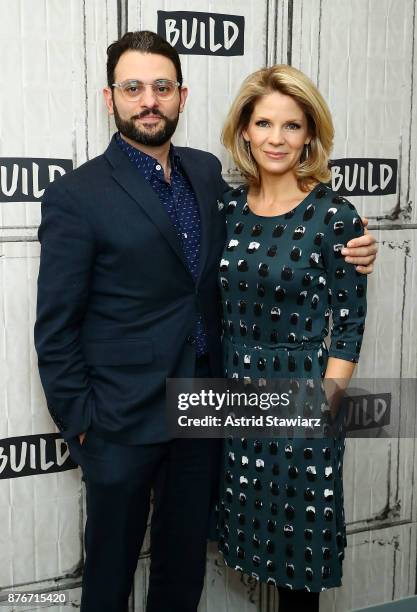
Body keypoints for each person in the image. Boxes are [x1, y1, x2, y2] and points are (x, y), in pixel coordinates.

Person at [34, 31, 376, 612]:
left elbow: (284, 231)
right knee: (110, 574)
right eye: (134, 87)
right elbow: (56, 324)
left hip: (206, 410)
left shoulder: (205, 176)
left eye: (162, 87)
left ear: (182, 96)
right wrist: (83, 422)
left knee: (182, 568)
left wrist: (359, 247)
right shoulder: (77, 194)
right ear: (109, 97)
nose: (149, 100)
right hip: (120, 419)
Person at [215, 65, 368, 611]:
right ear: (245, 131)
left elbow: (348, 325)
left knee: (298, 569)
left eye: (292, 125)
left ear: (309, 135)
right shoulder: (226, 211)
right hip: (235, 400)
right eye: (264, 123)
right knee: (253, 541)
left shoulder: (334, 216)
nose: (276, 139)